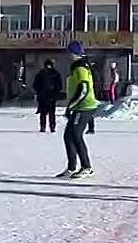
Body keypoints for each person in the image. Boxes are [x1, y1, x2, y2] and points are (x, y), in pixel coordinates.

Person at [58, 41, 99, 179]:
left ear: (76, 53)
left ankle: (87, 167)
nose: (68, 55)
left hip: (84, 106)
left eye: (70, 52)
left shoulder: (80, 68)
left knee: (76, 135)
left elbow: (84, 88)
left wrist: (72, 105)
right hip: (79, 106)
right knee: (68, 136)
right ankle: (71, 168)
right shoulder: (77, 66)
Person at [33, 59, 62, 133]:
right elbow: (59, 85)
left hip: (43, 96)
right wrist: (56, 94)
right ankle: (52, 127)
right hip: (51, 96)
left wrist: (38, 92)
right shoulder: (55, 73)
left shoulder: (41, 73)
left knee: (43, 113)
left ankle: (43, 127)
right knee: (51, 113)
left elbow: (35, 84)